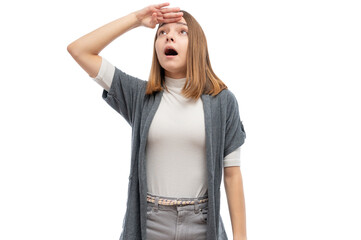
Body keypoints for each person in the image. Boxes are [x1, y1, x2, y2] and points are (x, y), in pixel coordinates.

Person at [67, 2, 247, 240]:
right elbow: (79, 50)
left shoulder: (222, 101)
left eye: (182, 32)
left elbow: (232, 174)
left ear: (198, 46)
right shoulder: (139, 96)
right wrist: (136, 19)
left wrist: (241, 238)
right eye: (162, 32)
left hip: (202, 225)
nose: (169, 38)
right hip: (150, 224)